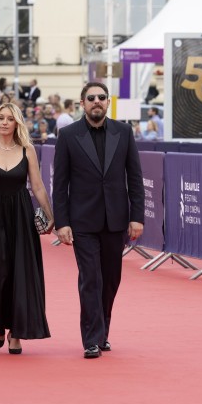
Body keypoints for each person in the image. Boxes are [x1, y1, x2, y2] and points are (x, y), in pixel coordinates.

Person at [53, 82, 144, 359]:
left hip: (116, 220)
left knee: (111, 280)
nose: (97, 101)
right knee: (91, 278)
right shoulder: (69, 135)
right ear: (82, 103)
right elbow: (60, 184)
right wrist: (62, 222)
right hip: (83, 221)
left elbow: (135, 178)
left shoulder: (123, 132)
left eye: (101, 97)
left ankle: (102, 331)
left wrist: (137, 217)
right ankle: (91, 339)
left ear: (108, 102)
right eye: (91, 97)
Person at [0, 103, 53, 354]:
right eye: (1, 118)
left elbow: (37, 186)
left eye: (10, 119)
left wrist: (50, 215)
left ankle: (15, 332)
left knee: (20, 272)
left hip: (21, 217)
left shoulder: (28, 150)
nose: (5, 122)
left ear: (17, 123)